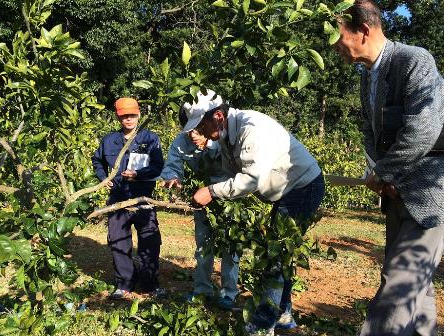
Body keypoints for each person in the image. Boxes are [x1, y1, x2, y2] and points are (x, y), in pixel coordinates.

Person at [333, 1, 444, 335]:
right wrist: (380, 172)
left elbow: (424, 128)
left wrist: (385, 173)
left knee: (398, 289)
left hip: (428, 196)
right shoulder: (368, 78)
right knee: (414, 286)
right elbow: (371, 133)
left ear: (363, 31)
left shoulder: (414, 60)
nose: (334, 47)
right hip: (396, 195)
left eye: (337, 37)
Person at [187, 90, 325, 336]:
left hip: (302, 187)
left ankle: (262, 326)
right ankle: (283, 315)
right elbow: (232, 174)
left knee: (277, 255)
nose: (201, 133)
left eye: (202, 126)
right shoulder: (227, 134)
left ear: (217, 116)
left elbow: (250, 179)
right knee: (282, 254)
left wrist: (210, 191)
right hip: (287, 190)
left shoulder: (251, 129)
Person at [160, 100, 239, 310]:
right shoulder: (180, 142)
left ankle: (229, 293)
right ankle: (202, 289)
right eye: (190, 131)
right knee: (203, 246)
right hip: (201, 201)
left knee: (230, 247)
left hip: (228, 199)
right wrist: (173, 179)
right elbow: (172, 166)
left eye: (198, 130)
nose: (194, 135)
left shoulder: (223, 140)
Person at [92, 97, 164, 299]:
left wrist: (139, 174)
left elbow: (158, 166)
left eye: (132, 115)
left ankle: (150, 284)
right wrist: (103, 177)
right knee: (118, 241)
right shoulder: (108, 141)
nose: (129, 119)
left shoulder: (150, 138)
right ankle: (124, 283)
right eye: (124, 116)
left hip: (143, 199)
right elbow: (97, 160)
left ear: (139, 114)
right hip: (118, 199)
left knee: (150, 240)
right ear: (118, 117)